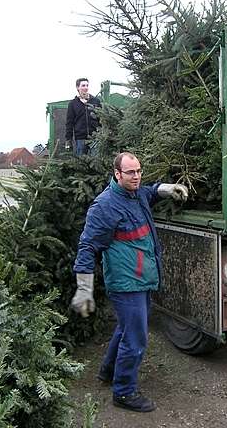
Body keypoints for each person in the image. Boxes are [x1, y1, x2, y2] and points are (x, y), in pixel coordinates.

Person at [70, 152, 188, 413]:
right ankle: (123, 392)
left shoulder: (136, 194)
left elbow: (149, 192)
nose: (136, 177)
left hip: (141, 277)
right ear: (117, 174)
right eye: (130, 172)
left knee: (126, 329)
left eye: (138, 171)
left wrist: (167, 189)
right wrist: (84, 288)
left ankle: (108, 372)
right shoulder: (105, 205)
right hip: (126, 282)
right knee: (136, 338)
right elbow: (88, 246)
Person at [65, 77, 102, 155]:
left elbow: (101, 119)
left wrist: (101, 134)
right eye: (83, 85)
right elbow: (69, 123)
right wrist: (68, 139)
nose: (86, 88)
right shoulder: (73, 104)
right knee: (81, 163)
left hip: (95, 138)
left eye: (87, 85)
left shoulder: (96, 101)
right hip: (80, 139)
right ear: (78, 87)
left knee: (95, 162)